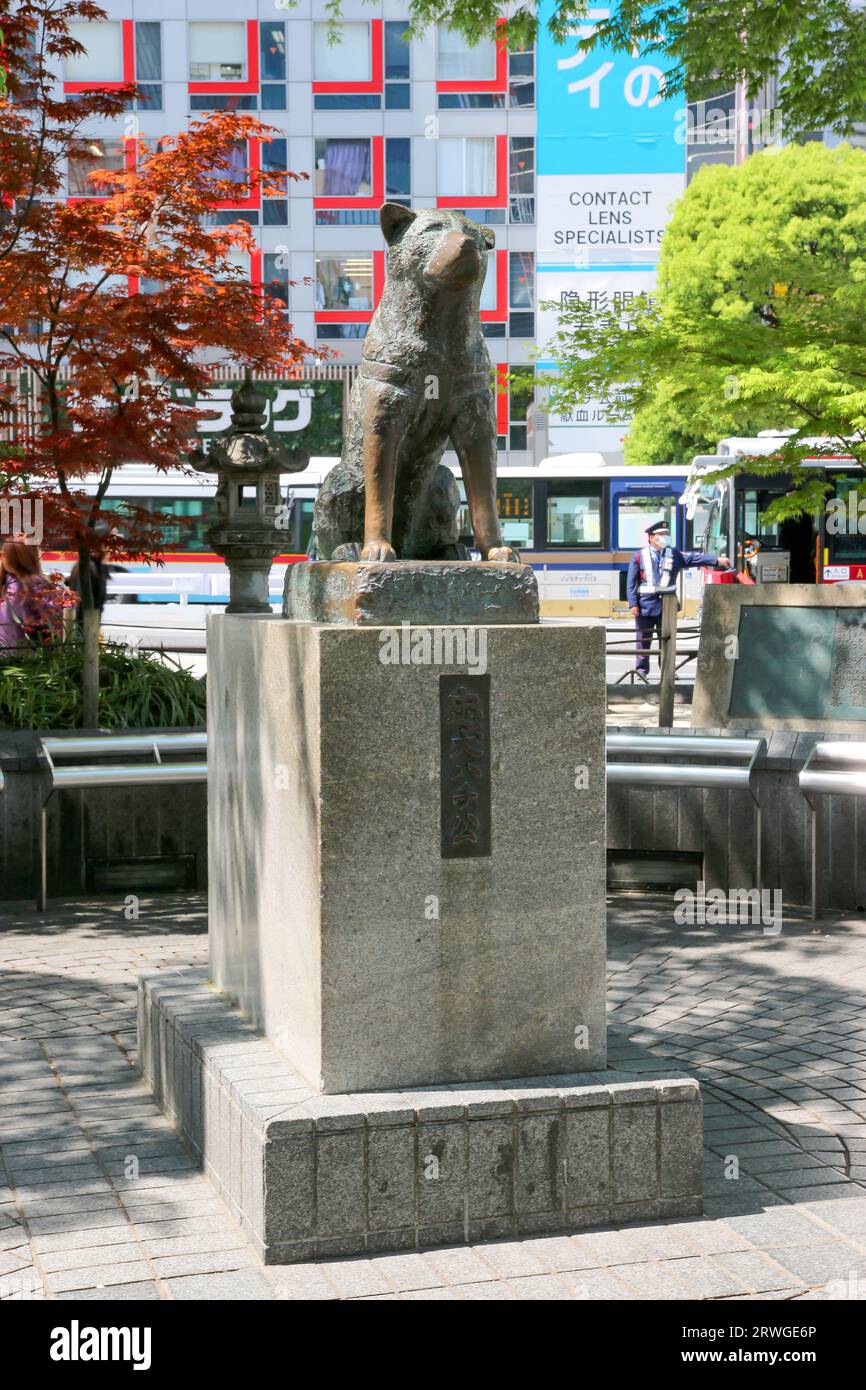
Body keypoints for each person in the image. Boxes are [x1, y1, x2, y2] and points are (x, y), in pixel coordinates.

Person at [626, 520, 731, 679]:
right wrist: (633, 604)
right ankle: (641, 670)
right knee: (643, 639)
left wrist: (716, 561)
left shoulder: (673, 554)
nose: (664, 537)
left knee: (668, 640)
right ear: (651, 537)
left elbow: (694, 558)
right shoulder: (639, 556)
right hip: (645, 605)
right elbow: (631, 582)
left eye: (666, 534)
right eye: (661, 534)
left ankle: (667, 670)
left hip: (667, 606)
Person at [0, 540, 68, 648]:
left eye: (4, 555)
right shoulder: (32, 584)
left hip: (9, 654)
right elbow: (54, 620)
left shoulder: (8, 584)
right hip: (26, 657)